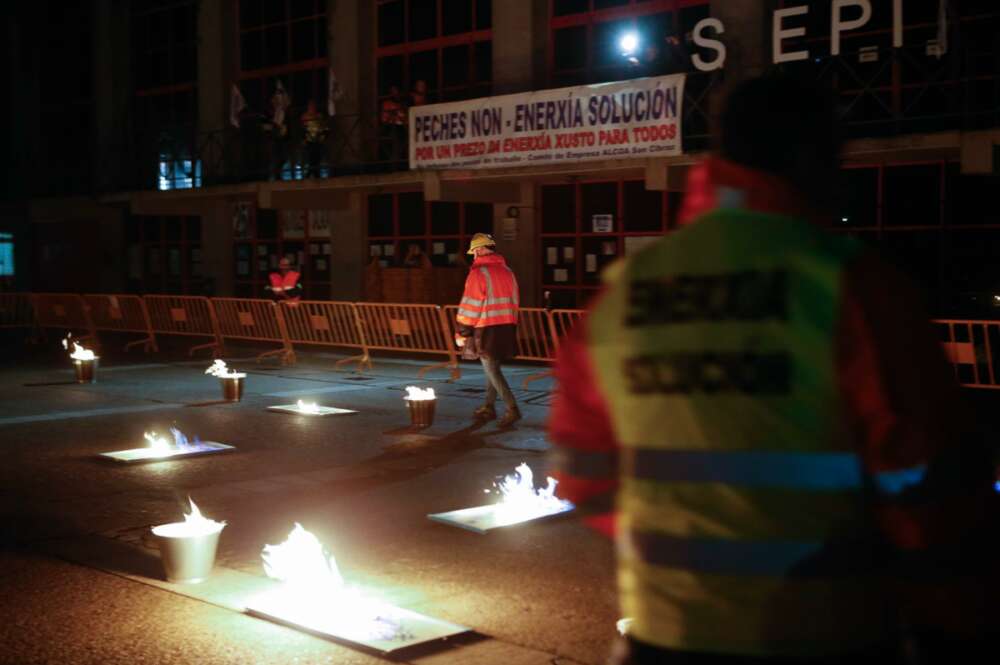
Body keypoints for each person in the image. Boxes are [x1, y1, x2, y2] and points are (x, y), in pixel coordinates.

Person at [548, 74, 996, 664]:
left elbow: (581, 469)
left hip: (666, 633)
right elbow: (932, 485)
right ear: (809, 155)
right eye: (839, 154)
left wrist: (685, 561)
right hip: (827, 633)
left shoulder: (628, 289)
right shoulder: (849, 282)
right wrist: (956, 624)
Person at [455, 233, 521, 427]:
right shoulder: (507, 271)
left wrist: (463, 332)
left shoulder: (478, 274)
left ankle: (512, 409)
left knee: (491, 369)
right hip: (507, 327)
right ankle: (488, 407)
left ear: (481, 250)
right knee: (492, 368)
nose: (474, 256)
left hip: (486, 329)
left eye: (475, 252)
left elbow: (470, 307)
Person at [300, 99, 329, 178]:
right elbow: (302, 129)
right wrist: (304, 139)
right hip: (309, 140)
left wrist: (323, 137)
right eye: (310, 106)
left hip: (318, 140)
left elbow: (324, 127)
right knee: (311, 157)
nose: (312, 108)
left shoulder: (319, 116)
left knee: (317, 157)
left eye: (313, 106)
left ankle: (313, 173)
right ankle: (312, 173)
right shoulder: (305, 116)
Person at [379, 85, 407, 163]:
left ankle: (399, 160)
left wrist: (399, 117)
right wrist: (393, 116)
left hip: (401, 128)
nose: (395, 93)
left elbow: (405, 119)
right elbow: (384, 118)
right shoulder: (386, 104)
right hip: (389, 127)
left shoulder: (402, 105)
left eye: (396, 91)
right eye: (393, 91)